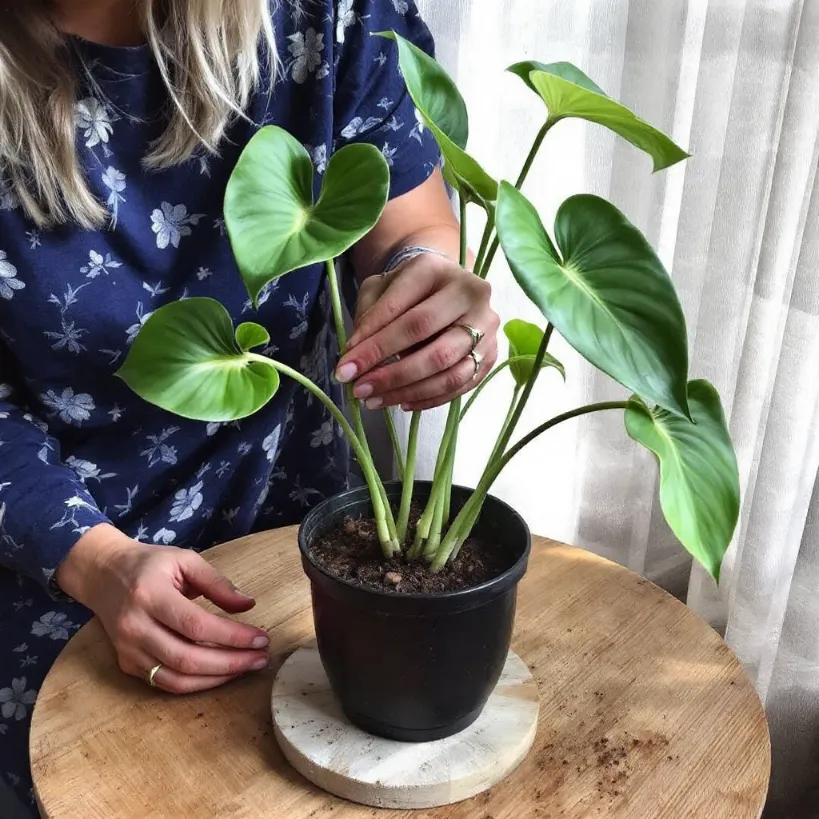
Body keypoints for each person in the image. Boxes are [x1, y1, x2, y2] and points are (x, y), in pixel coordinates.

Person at [0, 0, 499, 810]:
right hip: (61, 551)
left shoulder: (322, 19)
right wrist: (97, 563)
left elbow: (412, 224)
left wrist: (424, 289)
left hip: (303, 523)